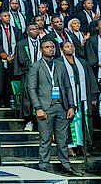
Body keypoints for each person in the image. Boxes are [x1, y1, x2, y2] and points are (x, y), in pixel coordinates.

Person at [26, 40, 80, 176]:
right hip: (45, 107)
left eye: (52, 47)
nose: (50, 49)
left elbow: (68, 87)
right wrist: (37, 107)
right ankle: (43, 165)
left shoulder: (60, 65)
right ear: (41, 50)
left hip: (61, 106)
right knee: (45, 138)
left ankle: (65, 165)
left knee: (63, 139)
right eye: (47, 47)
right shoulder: (35, 66)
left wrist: (71, 106)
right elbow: (31, 88)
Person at [59, 40, 95, 156]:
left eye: (72, 46)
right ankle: (70, 145)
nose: (70, 48)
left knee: (82, 119)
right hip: (67, 95)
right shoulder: (59, 63)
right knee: (70, 119)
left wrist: (93, 96)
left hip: (82, 94)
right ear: (62, 50)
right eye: (67, 46)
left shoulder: (82, 62)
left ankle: (82, 144)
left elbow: (90, 79)